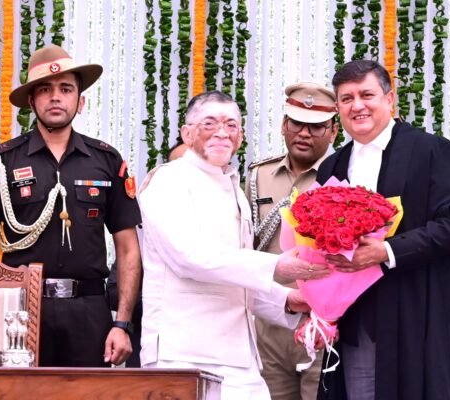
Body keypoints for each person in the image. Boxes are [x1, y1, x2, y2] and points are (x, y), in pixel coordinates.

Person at [139, 90, 331, 399]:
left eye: (231, 125)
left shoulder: (234, 188)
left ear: (240, 136)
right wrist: (276, 265)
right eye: (209, 123)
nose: (221, 132)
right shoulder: (169, 181)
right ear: (187, 134)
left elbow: (237, 279)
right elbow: (190, 258)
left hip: (239, 356)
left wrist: (287, 300)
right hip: (183, 353)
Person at [0, 45, 142, 367]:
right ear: (32, 102)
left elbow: (128, 249)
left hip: (89, 312)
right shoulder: (1, 161)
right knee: (16, 392)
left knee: (87, 391)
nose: (55, 97)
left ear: (80, 102)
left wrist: (121, 324)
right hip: (18, 311)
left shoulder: (107, 161)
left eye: (66, 89)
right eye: (45, 90)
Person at [316, 60, 450, 400]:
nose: (357, 106)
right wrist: (320, 308)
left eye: (367, 95)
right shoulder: (332, 166)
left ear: (389, 99)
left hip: (419, 316)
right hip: (357, 323)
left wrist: (387, 251)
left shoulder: (430, 150)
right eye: (346, 99)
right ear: (338, 108)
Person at [245, 82, 338, 400]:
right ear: (284, 125)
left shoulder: (342, 174)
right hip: (268, 323)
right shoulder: (258, 175)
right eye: (297, 123)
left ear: (333, 132)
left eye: (316, 126)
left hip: (322, 324)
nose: (304, 133)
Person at [105, 141, 189, 368]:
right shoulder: (145, 227)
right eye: (178, 168)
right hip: (151, 348)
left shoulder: (223, 225)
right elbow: (113, 291)